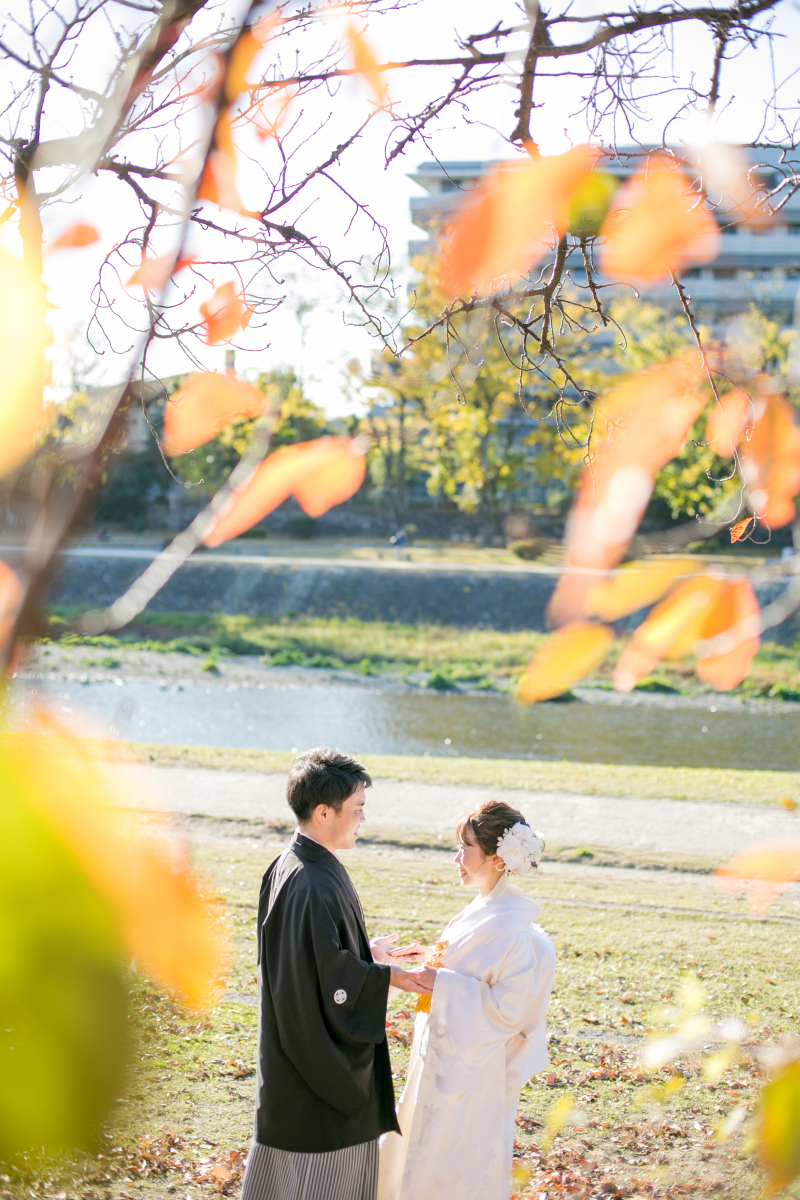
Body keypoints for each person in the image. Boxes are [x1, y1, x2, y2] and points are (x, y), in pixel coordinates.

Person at [241, 747, 434, 1200]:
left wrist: (366, 955)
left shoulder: (294, 864)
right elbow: (319, 975)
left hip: (291, 1058)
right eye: (358, 808)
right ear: (324, 811)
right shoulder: (310, 880)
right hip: (315, 1079)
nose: (363, 819)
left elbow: (307, 960)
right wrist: (385, 978)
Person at [377, 800, 556, 1200]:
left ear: (495, 858)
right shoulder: (484, 907)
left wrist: (442, 982)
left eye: (466, 848)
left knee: (453, 1159)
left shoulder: (511, 925)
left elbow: (510, 1009)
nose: (456, 858)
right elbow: (473, 966)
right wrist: (430, 959)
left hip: (475, 1069)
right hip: (442, 1054)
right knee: (419, 1145)